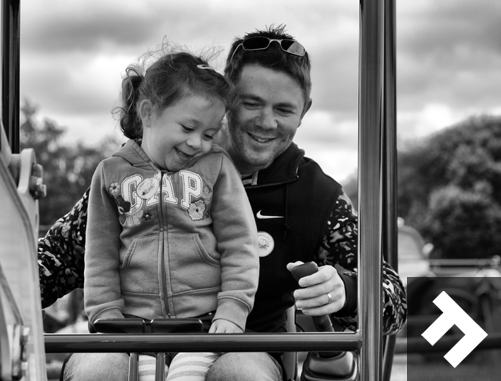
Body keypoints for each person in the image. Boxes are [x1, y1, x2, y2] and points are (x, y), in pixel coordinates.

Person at [38, 25, 407, 381]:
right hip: (132, 338)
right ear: (226, 101)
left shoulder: (316, 195)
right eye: (252, 104)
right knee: (97, 370)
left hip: (244, 347)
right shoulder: (136, 175)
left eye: (284, 109)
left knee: (239, 373)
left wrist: (345, 289)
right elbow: (52, 262)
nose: (266, 122)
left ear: (305, 110)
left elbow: (394, 297)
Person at [83, 49, 260, 381]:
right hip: (135, 327)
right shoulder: (111, 173)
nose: (198, 143)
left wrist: (233, 307)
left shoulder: (216, 167)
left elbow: (240, 243)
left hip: (204, 324)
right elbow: (99, 254)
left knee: (184, 376)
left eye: (209, 134)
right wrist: (105, 313)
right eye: (188, 128)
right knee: (139, 374)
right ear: (148, 112)